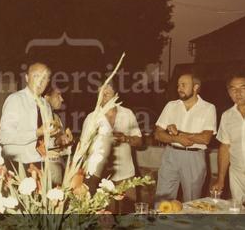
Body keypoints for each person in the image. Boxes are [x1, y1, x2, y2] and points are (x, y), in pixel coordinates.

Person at [154, 72, 217, 202]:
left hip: (194, 157)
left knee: (192, 201)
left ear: (195, 87)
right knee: (163, 199)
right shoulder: (171, 106)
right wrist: (175, 138)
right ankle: (161, 223)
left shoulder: (208, 108)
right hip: (170, 155)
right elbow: (158, 134)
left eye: (183, 85)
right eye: (178, 85)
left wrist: (179, 133)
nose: (179, 89)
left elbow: (205, 138)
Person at [83, 82, 142, 213]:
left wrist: (125, 138)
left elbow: (139, 141)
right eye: (100, 94)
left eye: (107, 93)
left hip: (126, 175)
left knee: (128, 217)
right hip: (101, 177)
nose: (103, 97)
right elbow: (83, 149)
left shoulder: (128, 114)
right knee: (104, 219)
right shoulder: (91, 118)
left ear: (116, 95)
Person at [0, 62, 59, 171]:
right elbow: (5, 137)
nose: (40, 82)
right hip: (17, 166)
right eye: (36, 76)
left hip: (40, 164)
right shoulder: (15, 100)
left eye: (44, 78)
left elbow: (46, 139)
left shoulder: (46, 106)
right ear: (27, 78)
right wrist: (36, 133)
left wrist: (56, 142)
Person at [212, 72, 245, 201]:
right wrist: (220, 179)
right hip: (237, 178)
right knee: (239, 217)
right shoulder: (227, 116)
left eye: (243, 88)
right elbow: (225, 147)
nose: (238, 92)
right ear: (229, 93)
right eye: (233, 89)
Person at [43, 86, 74, 185]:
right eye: (58, 95)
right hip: (45, 170)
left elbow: (60, 148)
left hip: (58, 169)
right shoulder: (39, 117)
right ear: (47, 96)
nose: (62, 99)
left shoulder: (56, 117)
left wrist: (67, 142)